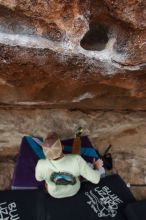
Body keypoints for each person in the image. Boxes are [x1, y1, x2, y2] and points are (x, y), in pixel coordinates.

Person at [35, 132, 103, 199]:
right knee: (77, 168)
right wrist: (96, 167)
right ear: (62, 146)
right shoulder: (77, 159)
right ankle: (77, 138)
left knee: (46, 180)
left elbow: (39, 179)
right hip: (74, 190)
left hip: (54, 193)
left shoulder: (41, 164)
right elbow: (96, 179)